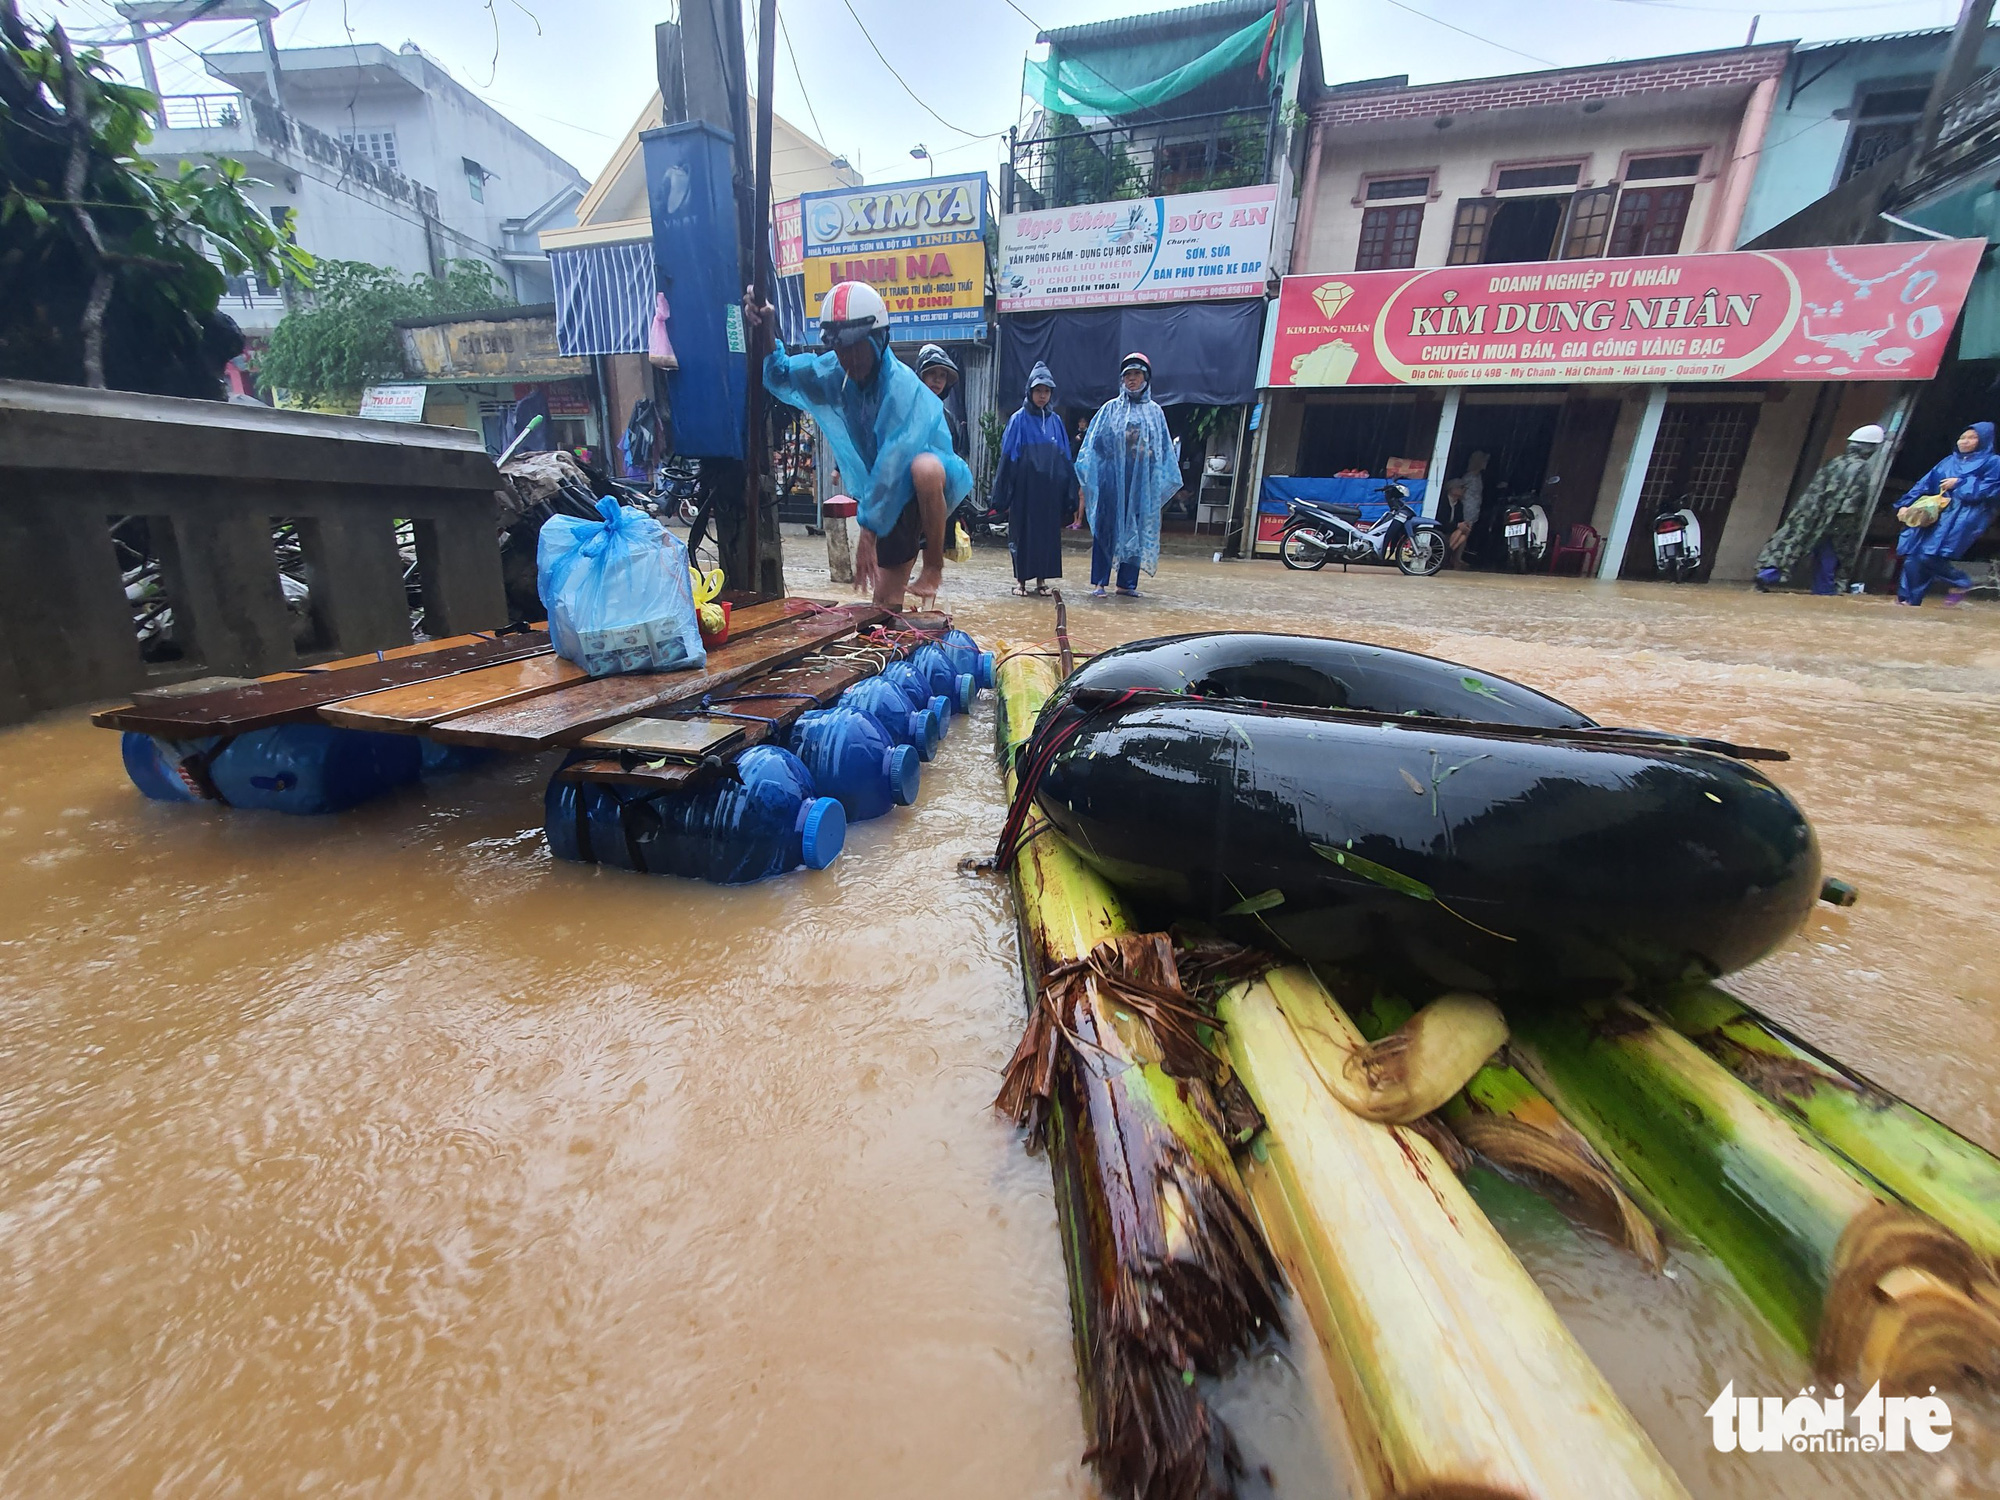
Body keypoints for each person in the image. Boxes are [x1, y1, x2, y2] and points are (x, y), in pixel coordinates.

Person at [748, 281, 971, 608]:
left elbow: (894, 461)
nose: (848, 357)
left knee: (924, 468)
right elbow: (781, 375)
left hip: (924, 487)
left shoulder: (902, 387)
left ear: (878, 339)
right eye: (840, 347)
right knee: (883, 601)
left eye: (856, 347)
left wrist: (868, 532)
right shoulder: (833, 374)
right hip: (880, 497)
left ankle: (933, 566)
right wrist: (766, 328)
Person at [1075, 352, 1181, 598]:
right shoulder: (1109, 409)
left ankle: (1127, 583)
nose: (1132, 380)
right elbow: (1094, 445)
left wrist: (1147, 451)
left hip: (1140, 483)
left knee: (1135, 528)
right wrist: (1120, 441)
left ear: (1146, 378)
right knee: (1105, 528)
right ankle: (1100, 582)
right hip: (1111, 480)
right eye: (1128, 375)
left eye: (1137, 374)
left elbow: (1164, 450)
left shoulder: (1155, 413)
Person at [1754, 424, 1884, 595]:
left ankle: (1766, 575)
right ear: (1869, 448)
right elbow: (1851, 503)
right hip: (1835, 522)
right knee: (1829, 558)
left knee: (1795, 546)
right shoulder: (1862, 469)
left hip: (1811, 516)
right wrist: (1847, 531)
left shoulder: (1833, 463)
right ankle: (1824, 593)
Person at [1894, 422, 1999, 607]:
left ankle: (1961, 582)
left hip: (1964, 514)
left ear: (1983, 440)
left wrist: (1959, 483)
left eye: (1972, 438)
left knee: (1929, 556)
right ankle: (1908, 600)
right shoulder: (1948, 461)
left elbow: (1989, 490)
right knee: (1912, 556)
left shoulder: (1993, 462)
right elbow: (1924, 483)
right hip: (1935, 513)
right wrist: (1905, 504)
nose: (1965, 441)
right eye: (1963, 437)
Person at [994, 361, 1073, 597]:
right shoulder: (1018, 419)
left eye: (1047, 391)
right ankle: (1021, 582)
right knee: (1022, 533)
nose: (1042, 395)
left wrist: (1067, 489)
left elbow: (1064, 457)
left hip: (1048, 491)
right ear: (1030, 391)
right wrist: (1003, 493)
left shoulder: (1056, 422)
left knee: (1046, 535)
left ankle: (1041, 581)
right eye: (1038, 391)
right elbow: (1009, 457)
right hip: (1025, 489)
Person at [1448, 451, 1488, 569]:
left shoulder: (1478, 476)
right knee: (1463, 530)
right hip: (1467, 508)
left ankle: (1456, 557)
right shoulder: (1469, 477)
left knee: (1466, 534)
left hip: (1474, 508)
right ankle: (1453, 557)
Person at [1437, 478, 1467, 567]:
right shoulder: (1443, 502)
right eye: (1461, 487)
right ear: (1452, 489)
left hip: (1451, 530)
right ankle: (1446, 554)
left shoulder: (1459, 504)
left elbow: (1460, 520)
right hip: (1441, 529)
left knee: (1463, 534)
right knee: (1460, 532)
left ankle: (1446, 554)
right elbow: (1441, 520)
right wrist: (1458, 525)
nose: (1463, 490)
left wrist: (1464, 524)